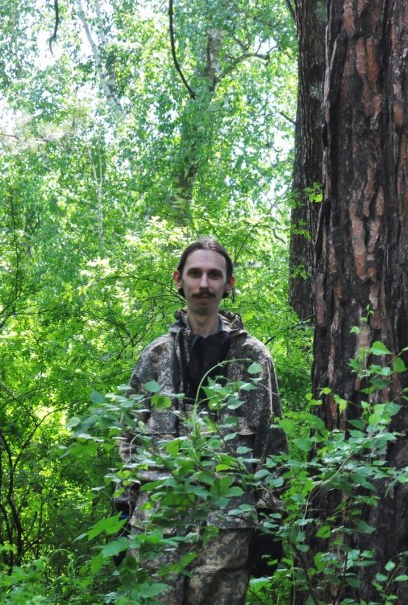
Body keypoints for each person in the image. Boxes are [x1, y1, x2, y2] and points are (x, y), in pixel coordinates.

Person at [117, 237, 285, 605]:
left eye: (214, 275)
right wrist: (122, 509)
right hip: (158, 524)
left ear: (229, 284)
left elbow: (271, 442)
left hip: (226, 530)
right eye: (195, 274)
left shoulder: (253, 357)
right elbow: (129, 436)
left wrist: (271, 519)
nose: (204, 284)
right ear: (179, 280)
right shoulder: (156, 356)